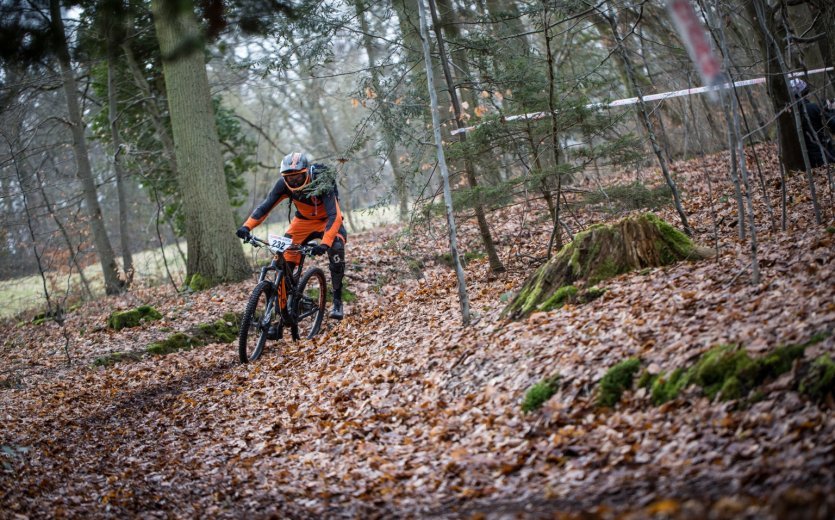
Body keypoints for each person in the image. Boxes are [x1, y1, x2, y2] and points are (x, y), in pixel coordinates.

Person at [236, 152, 346, 320]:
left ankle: (337, 300)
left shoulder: (322, 179)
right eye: (290, 178)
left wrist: (324, 244)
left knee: (336, 248)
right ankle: (283, 307)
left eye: (298, 177)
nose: (294, 182)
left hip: (327, 221)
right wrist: (246, 227)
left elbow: (335, 216)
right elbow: (265, 206)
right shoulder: (284, 185)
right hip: (302, 222)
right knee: (282, 261)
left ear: (307, 172)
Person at [790, 78, 835, 168]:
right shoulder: (811, 108)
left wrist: (825, 110)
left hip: (807, 163)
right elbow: (833, 125)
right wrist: (832, 110)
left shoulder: (790, 114)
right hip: (824, 158)